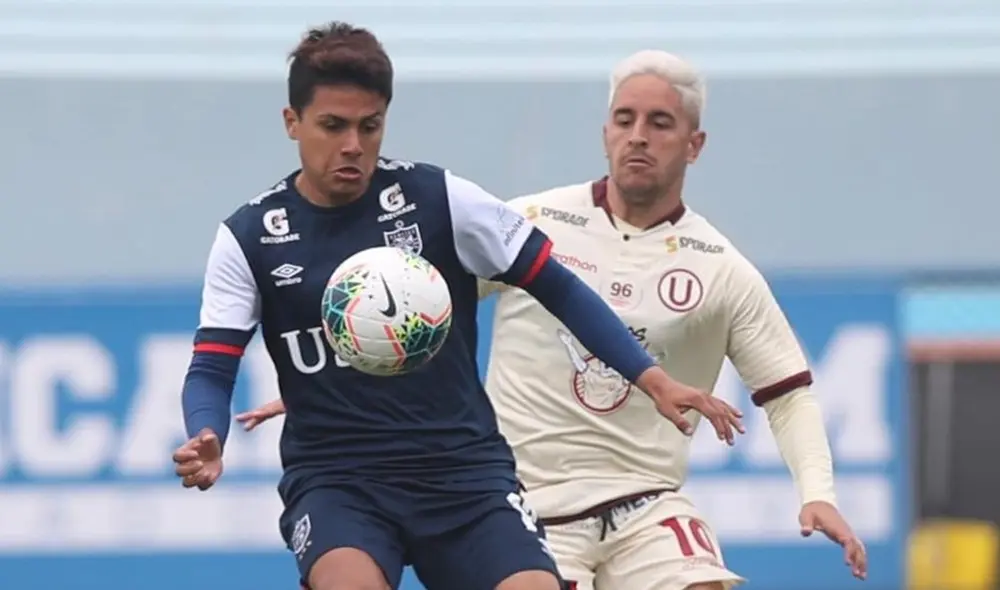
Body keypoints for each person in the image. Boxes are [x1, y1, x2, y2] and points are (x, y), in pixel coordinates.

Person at [238, 49, 869, 590]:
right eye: (624, 119)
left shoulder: (722, 267)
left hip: (647, 504)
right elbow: (409, 312)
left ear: (695, 145)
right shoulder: (530, 223)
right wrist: (335, 386)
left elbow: (789, 395)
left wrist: (819, 493)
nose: (638, 136)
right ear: (604, 132)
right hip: (531, 502)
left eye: (660, 123)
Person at [172, 24, 744, 590]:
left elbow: (560, 287)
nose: (353, 145)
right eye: (332, 126)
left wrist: (652, 379)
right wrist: (207, 431)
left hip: (463, 473)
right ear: (292, 122)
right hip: (338, 480)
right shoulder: (250, 236)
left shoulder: (440, 200)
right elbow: (213, 366)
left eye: (369, 127)